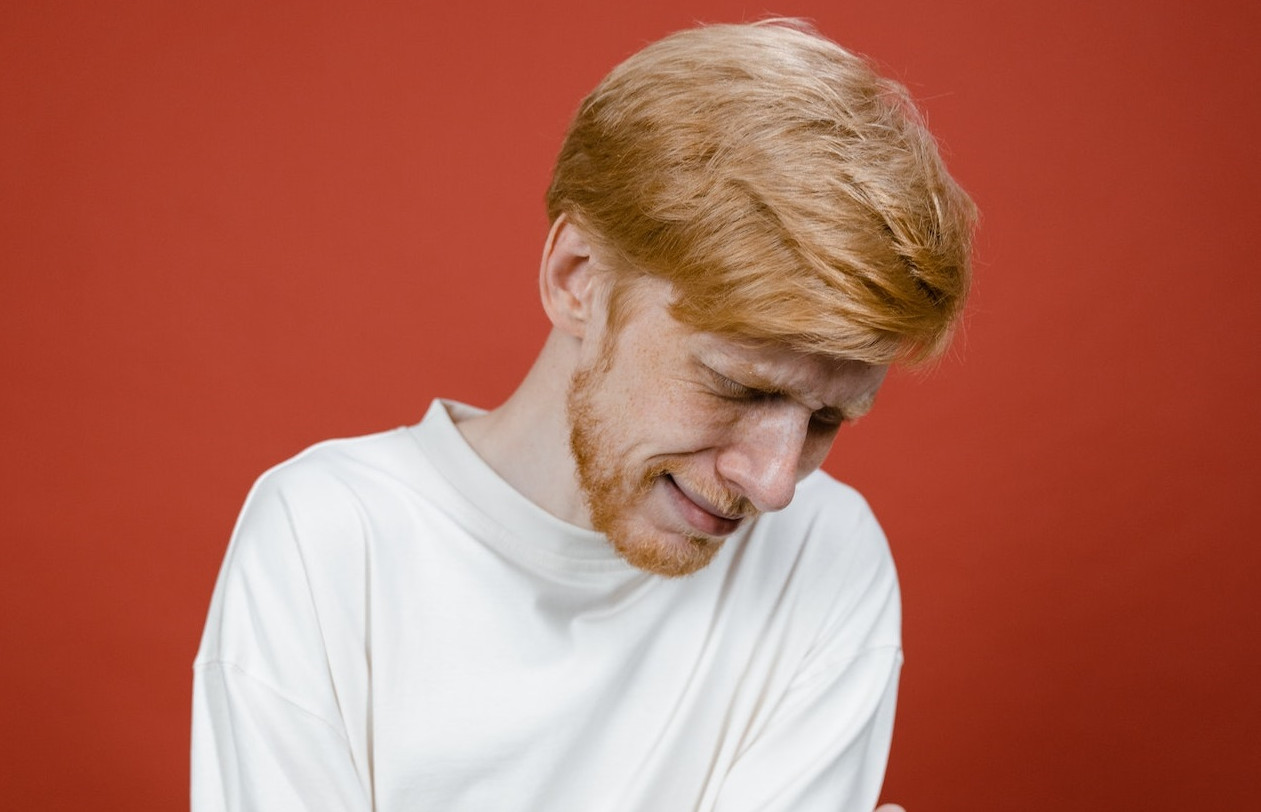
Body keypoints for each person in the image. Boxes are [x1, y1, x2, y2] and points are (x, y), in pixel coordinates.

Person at [192, 19, 975, 812]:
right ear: (577, 279)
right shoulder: (328, 536)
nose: (774, 484)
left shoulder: (824, 555)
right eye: (738, 388)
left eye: (827, 419)